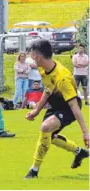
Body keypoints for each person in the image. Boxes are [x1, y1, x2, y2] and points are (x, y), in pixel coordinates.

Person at [24, 39, 89, 179]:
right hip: (55, 105)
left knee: (46, 127)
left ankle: (34, 171)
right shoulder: (43, 68)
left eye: (31, 55)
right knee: (49, 137)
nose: (30, 57)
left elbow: (74, 106)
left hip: (68, 108)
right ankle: (79, 152)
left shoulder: (62, 78)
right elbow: (47, 90)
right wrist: (36, 111)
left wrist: (85, 133)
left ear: (37, 56)